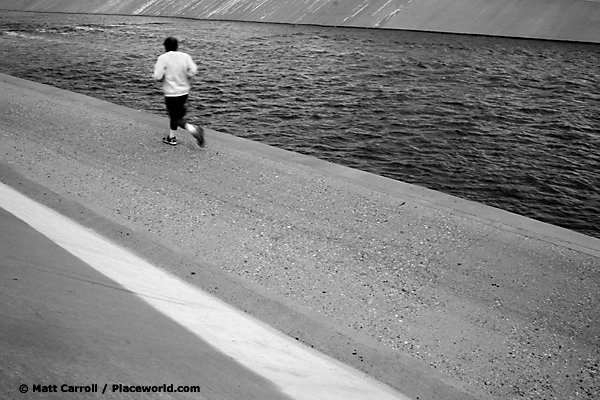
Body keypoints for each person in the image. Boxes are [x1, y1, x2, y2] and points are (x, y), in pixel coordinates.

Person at [153, 36, 204, 147]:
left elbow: (157, 76)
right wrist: (188, 75)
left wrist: (161, 77)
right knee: (175, 116)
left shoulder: (163, 58)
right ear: (177, 46)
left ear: (165, 46)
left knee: (175, 118)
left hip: (171, 92)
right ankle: (172, 137)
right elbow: (193, 69)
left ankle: (193, 129)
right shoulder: (185, 56)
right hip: (184, 92)